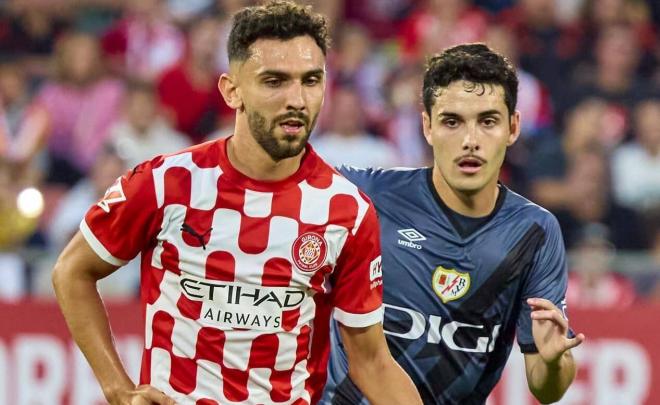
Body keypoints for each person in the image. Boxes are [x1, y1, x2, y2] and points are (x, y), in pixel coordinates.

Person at [51, 2, 421, 405]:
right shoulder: (167, 182)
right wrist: (118, 390)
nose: (296, 99)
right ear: (231, 90)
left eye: (311, 80)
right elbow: (72, 270)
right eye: (274, 81)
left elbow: (371, 362)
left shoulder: (346, 210)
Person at [322, 43, 585, 404]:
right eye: (452, 121)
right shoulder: (367, 195)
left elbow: (546, 387)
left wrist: (554, 363)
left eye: (488, 121)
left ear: (513, 128)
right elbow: (281, 174)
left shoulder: (534, 233)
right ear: (427, 127)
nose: (470, 141)